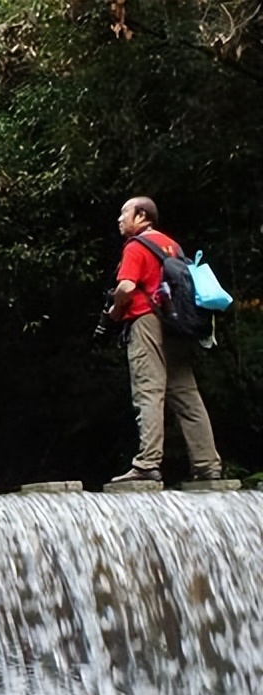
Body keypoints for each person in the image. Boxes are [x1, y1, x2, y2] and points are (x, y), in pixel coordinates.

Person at [104, 196, 221, 483]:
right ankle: (207, 465)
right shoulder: (172, 246)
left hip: (147, 322)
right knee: (187, 395)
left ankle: (147, 463)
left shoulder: (136, 246)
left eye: (124, 213)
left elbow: (127, 288)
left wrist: (114, 313)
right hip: (176, 325)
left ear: (142, 215)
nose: (119, 219)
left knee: (148, 390)